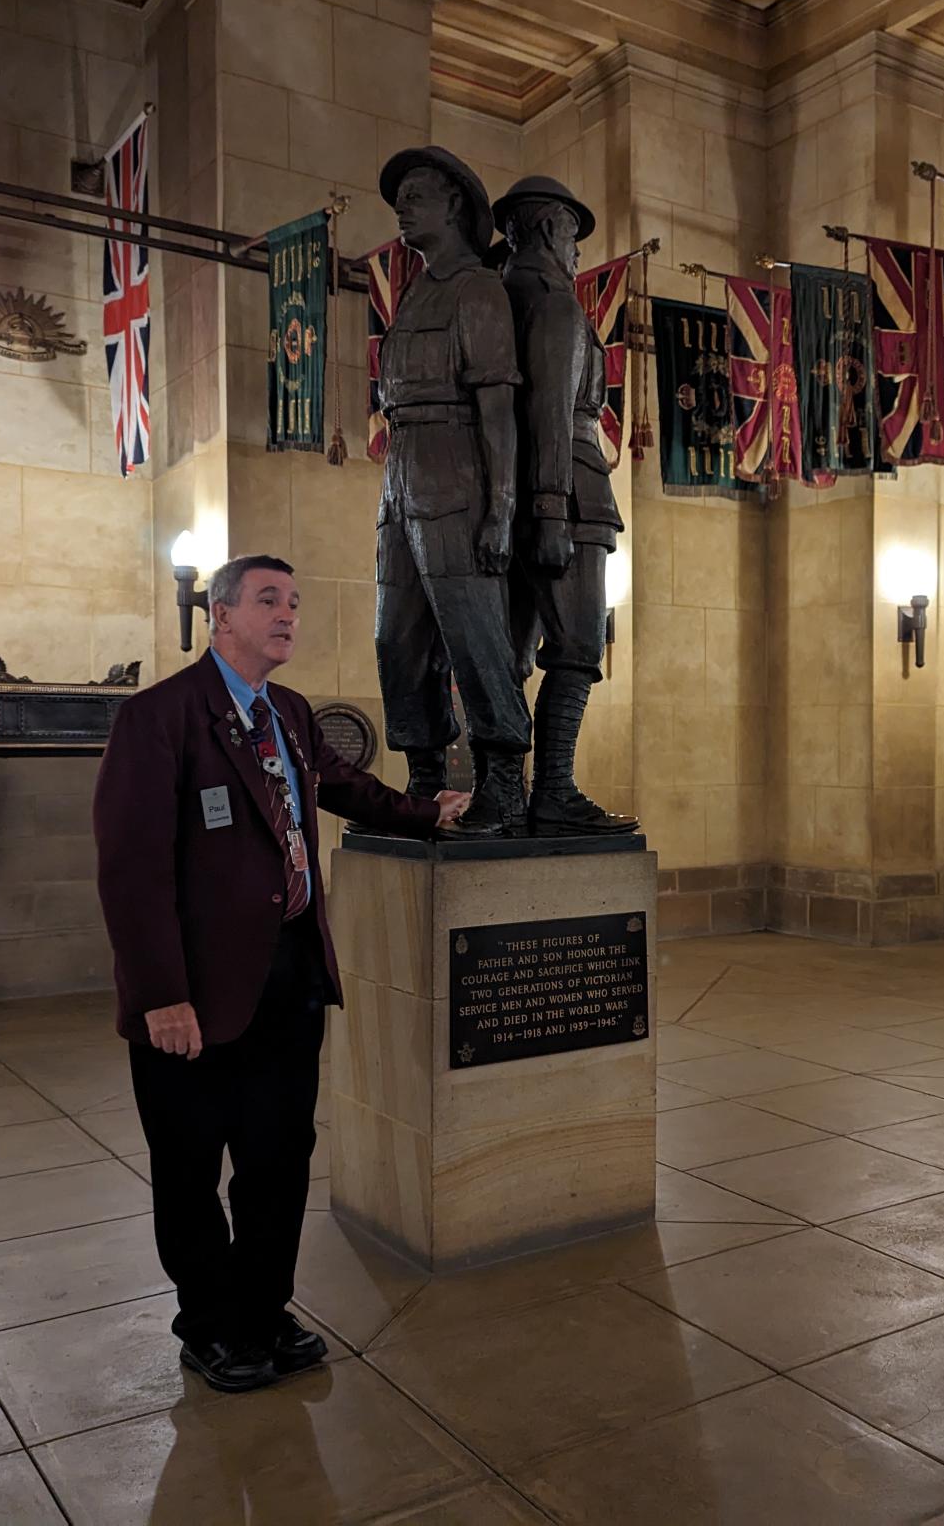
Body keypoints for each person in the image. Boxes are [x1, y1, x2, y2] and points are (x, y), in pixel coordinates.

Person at [93, 555, 467, 1393]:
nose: (288, 614)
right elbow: (132, 869)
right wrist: (161, 995)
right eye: (268, 600)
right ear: (220, 617)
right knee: (191, 1166)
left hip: (290, 977)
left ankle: (262, 1309)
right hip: (193, 992)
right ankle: (209, 1322)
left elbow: (344, 788)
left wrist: (427, 813)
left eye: (294, 602)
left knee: (277, 1158)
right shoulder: (159, 719)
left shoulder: (289, 712)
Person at [373, 144, 532, 835]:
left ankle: (503, 780)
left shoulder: (478, 288)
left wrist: (501, 509)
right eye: (400, 198)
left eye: (415, 195)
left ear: (454, 205)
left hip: (456, 466)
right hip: (400, 469)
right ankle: (424, 780)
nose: (402, 208)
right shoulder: (414, 292)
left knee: (473, 631)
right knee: (396, 638)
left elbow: (498, 410)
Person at [494, 174, 636, 836]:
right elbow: (549, 405)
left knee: (517, 655)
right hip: (570, 492)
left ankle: (507, 792)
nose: (577, 253)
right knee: (577, 646)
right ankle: (551, 789)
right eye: (574, 237)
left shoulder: (505, 294)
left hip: (530, 492)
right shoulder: (552, 301)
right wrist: (551, 507)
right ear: (552, 228)